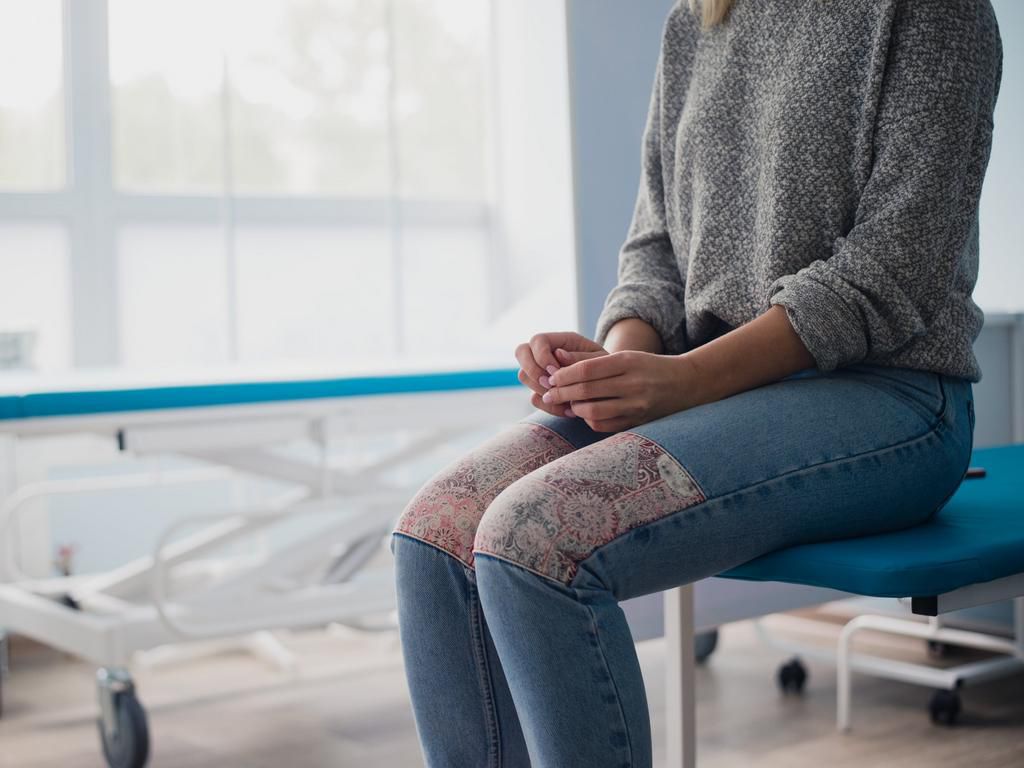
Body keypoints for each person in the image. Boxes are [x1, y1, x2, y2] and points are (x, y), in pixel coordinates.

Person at [389, 0, 1003, 765]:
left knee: (533, 540)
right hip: (711, 390)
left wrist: (681, 381)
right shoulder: (698, 20)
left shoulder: (931, 12)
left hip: (893, 400)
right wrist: (616, 366)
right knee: (435, 533)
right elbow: (655, 251)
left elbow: (892, 269)